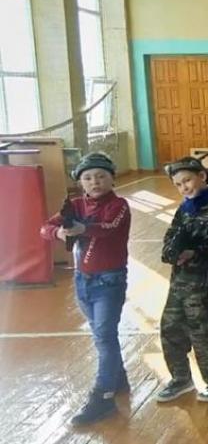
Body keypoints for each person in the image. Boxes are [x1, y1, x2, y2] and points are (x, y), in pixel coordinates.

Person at [40, 152, 131, 425]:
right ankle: (117, 377)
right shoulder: (75, 205)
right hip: (83, 280)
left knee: (104, 336)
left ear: (112, 179)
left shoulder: (119, 205)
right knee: (101, 334)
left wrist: (82, 229)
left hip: (109, 282)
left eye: (101, 176)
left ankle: (103, 397)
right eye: (88, 178)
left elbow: (108, 228)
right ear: (80, 182)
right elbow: (45, 228)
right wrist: (59, 232)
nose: (95, 182)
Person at [155, 157, 208, 403]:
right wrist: (174, 252)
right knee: (170, 327)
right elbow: (170, 238)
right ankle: (181, 378)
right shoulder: (184, 209)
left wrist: (196, 252)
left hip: (205, 280)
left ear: (202, 176)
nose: (184, 187)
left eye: (187, 180)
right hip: (180, 280)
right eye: (178, 184)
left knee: (201, 330)